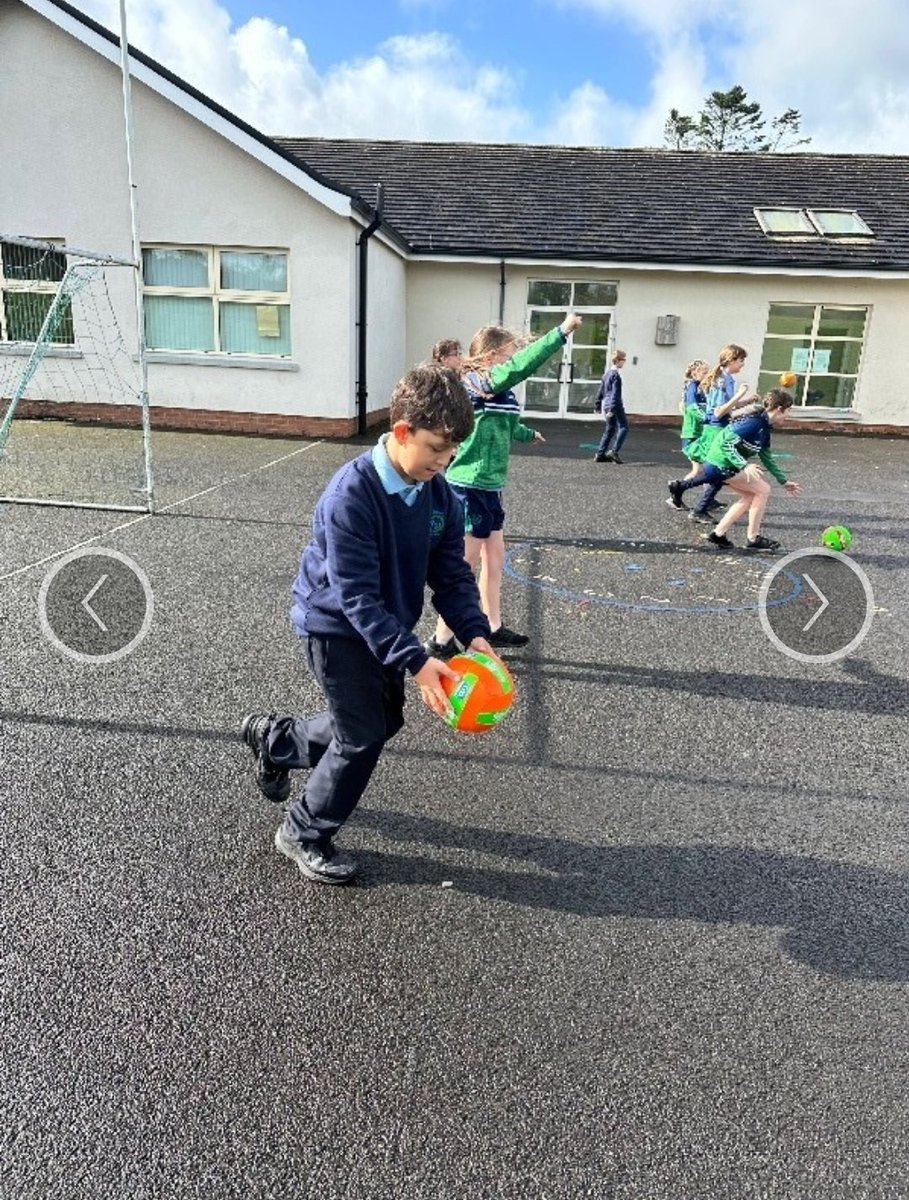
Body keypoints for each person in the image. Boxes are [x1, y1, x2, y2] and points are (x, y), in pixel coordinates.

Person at [241, 365, 495, 885]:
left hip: (385, 627)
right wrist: (420, 662)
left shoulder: (439, 495)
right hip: (335, 626)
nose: (445, 461)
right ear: (401, 431)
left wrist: (475, 634)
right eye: (436, 448)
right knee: (362, 737)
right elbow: (355, 597)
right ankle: (304, 831)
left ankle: (279, 741)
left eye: (452, 452)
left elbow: (450, 574)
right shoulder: (351, 496)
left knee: (381, 723)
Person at [426, 312, 583, 658]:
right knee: (463, 568)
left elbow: (506, 425)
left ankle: (492, 627)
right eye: (508, 354)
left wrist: (529, 434)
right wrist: (560, 333)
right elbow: (519, 369)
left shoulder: (502, 392)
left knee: (494, 559)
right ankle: (439, 640)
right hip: (469, 486)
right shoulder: (475, 383)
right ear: (490, 356)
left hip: (490, 486)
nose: (512, 360)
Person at [695, 389, 802, 551]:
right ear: (780, 409)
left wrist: (783, 481)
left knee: (749, 496)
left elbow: (766, 457)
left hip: (725, 465)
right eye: (788, 411)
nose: (788, 415)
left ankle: (718, 534)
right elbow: (726, 444)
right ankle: (753, 538)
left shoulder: (765, 428)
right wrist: (743, 465)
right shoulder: (754, 423)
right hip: (719, 464)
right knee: (762, 490)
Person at [667, 343, 752, 518]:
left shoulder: (725, 378)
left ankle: (688, 494)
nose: (743, 364)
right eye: (741, 360)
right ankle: (695, 503)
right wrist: (740, 395)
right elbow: (719, 411)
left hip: (717, 428)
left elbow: (724, 407)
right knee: (717, 470)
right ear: (731, 360)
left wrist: (747, 401)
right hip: (715, 430)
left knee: (714, 471)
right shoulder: (722, 380)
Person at [593, 349, 629, 463]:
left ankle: (600, 454)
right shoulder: (615, 376)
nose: (624, 362)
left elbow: (601, 391)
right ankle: (614, 451)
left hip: (606, 405)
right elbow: (615, 393)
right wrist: (612, 409)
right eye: (624, 360)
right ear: (618, 360)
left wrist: (598, 405)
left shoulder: (606, 374)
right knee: (624, 427)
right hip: (615, 405)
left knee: (609, 429)